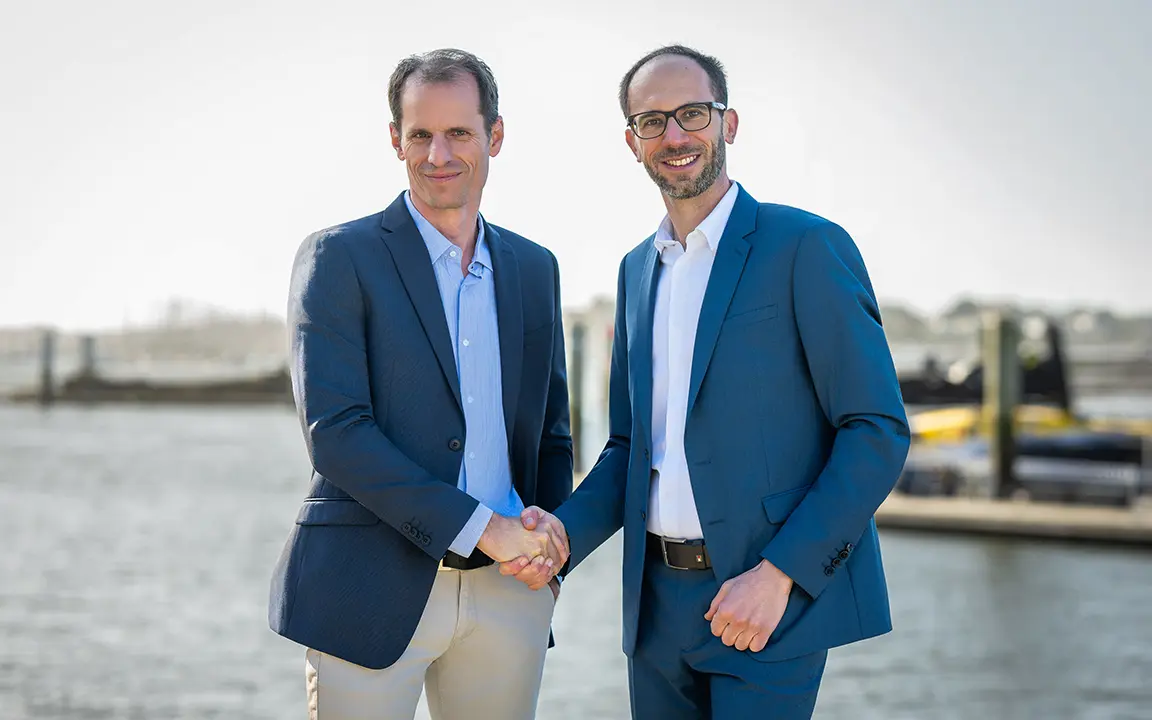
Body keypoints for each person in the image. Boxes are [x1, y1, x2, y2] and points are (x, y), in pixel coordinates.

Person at [503, 45, 910, 718]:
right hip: (655, 611)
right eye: (651, 121)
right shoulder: (636, 272)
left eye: (692, 113)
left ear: (729, 123)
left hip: (767, 602)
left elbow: (876, 430)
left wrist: (779, 575)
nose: (674, 135)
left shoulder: (805, 247)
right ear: (631, 143)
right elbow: (630, 448)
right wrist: (560, 537)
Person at [268, 48, 572, 720]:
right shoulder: (339, 257)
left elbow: (550, 429)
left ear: (495, 136)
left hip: (509, 593)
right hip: (367, 589)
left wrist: (551, 562)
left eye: (459, 133)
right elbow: (336, 436)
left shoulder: (533, 268)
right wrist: (481, 527)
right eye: (420, 135)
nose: (439, 154)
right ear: (395, 140)